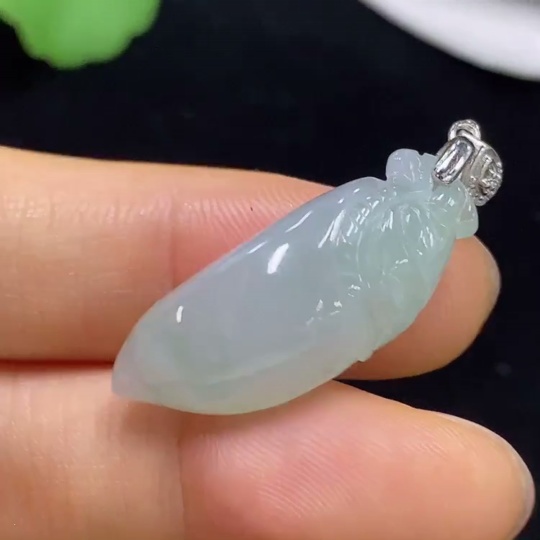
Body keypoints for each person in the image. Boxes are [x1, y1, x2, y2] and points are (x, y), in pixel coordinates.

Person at [0, 146, 533, 540]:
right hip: (212, 339)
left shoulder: (418, 236)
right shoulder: (382, 206)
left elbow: (379, 304)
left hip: (281, 336)